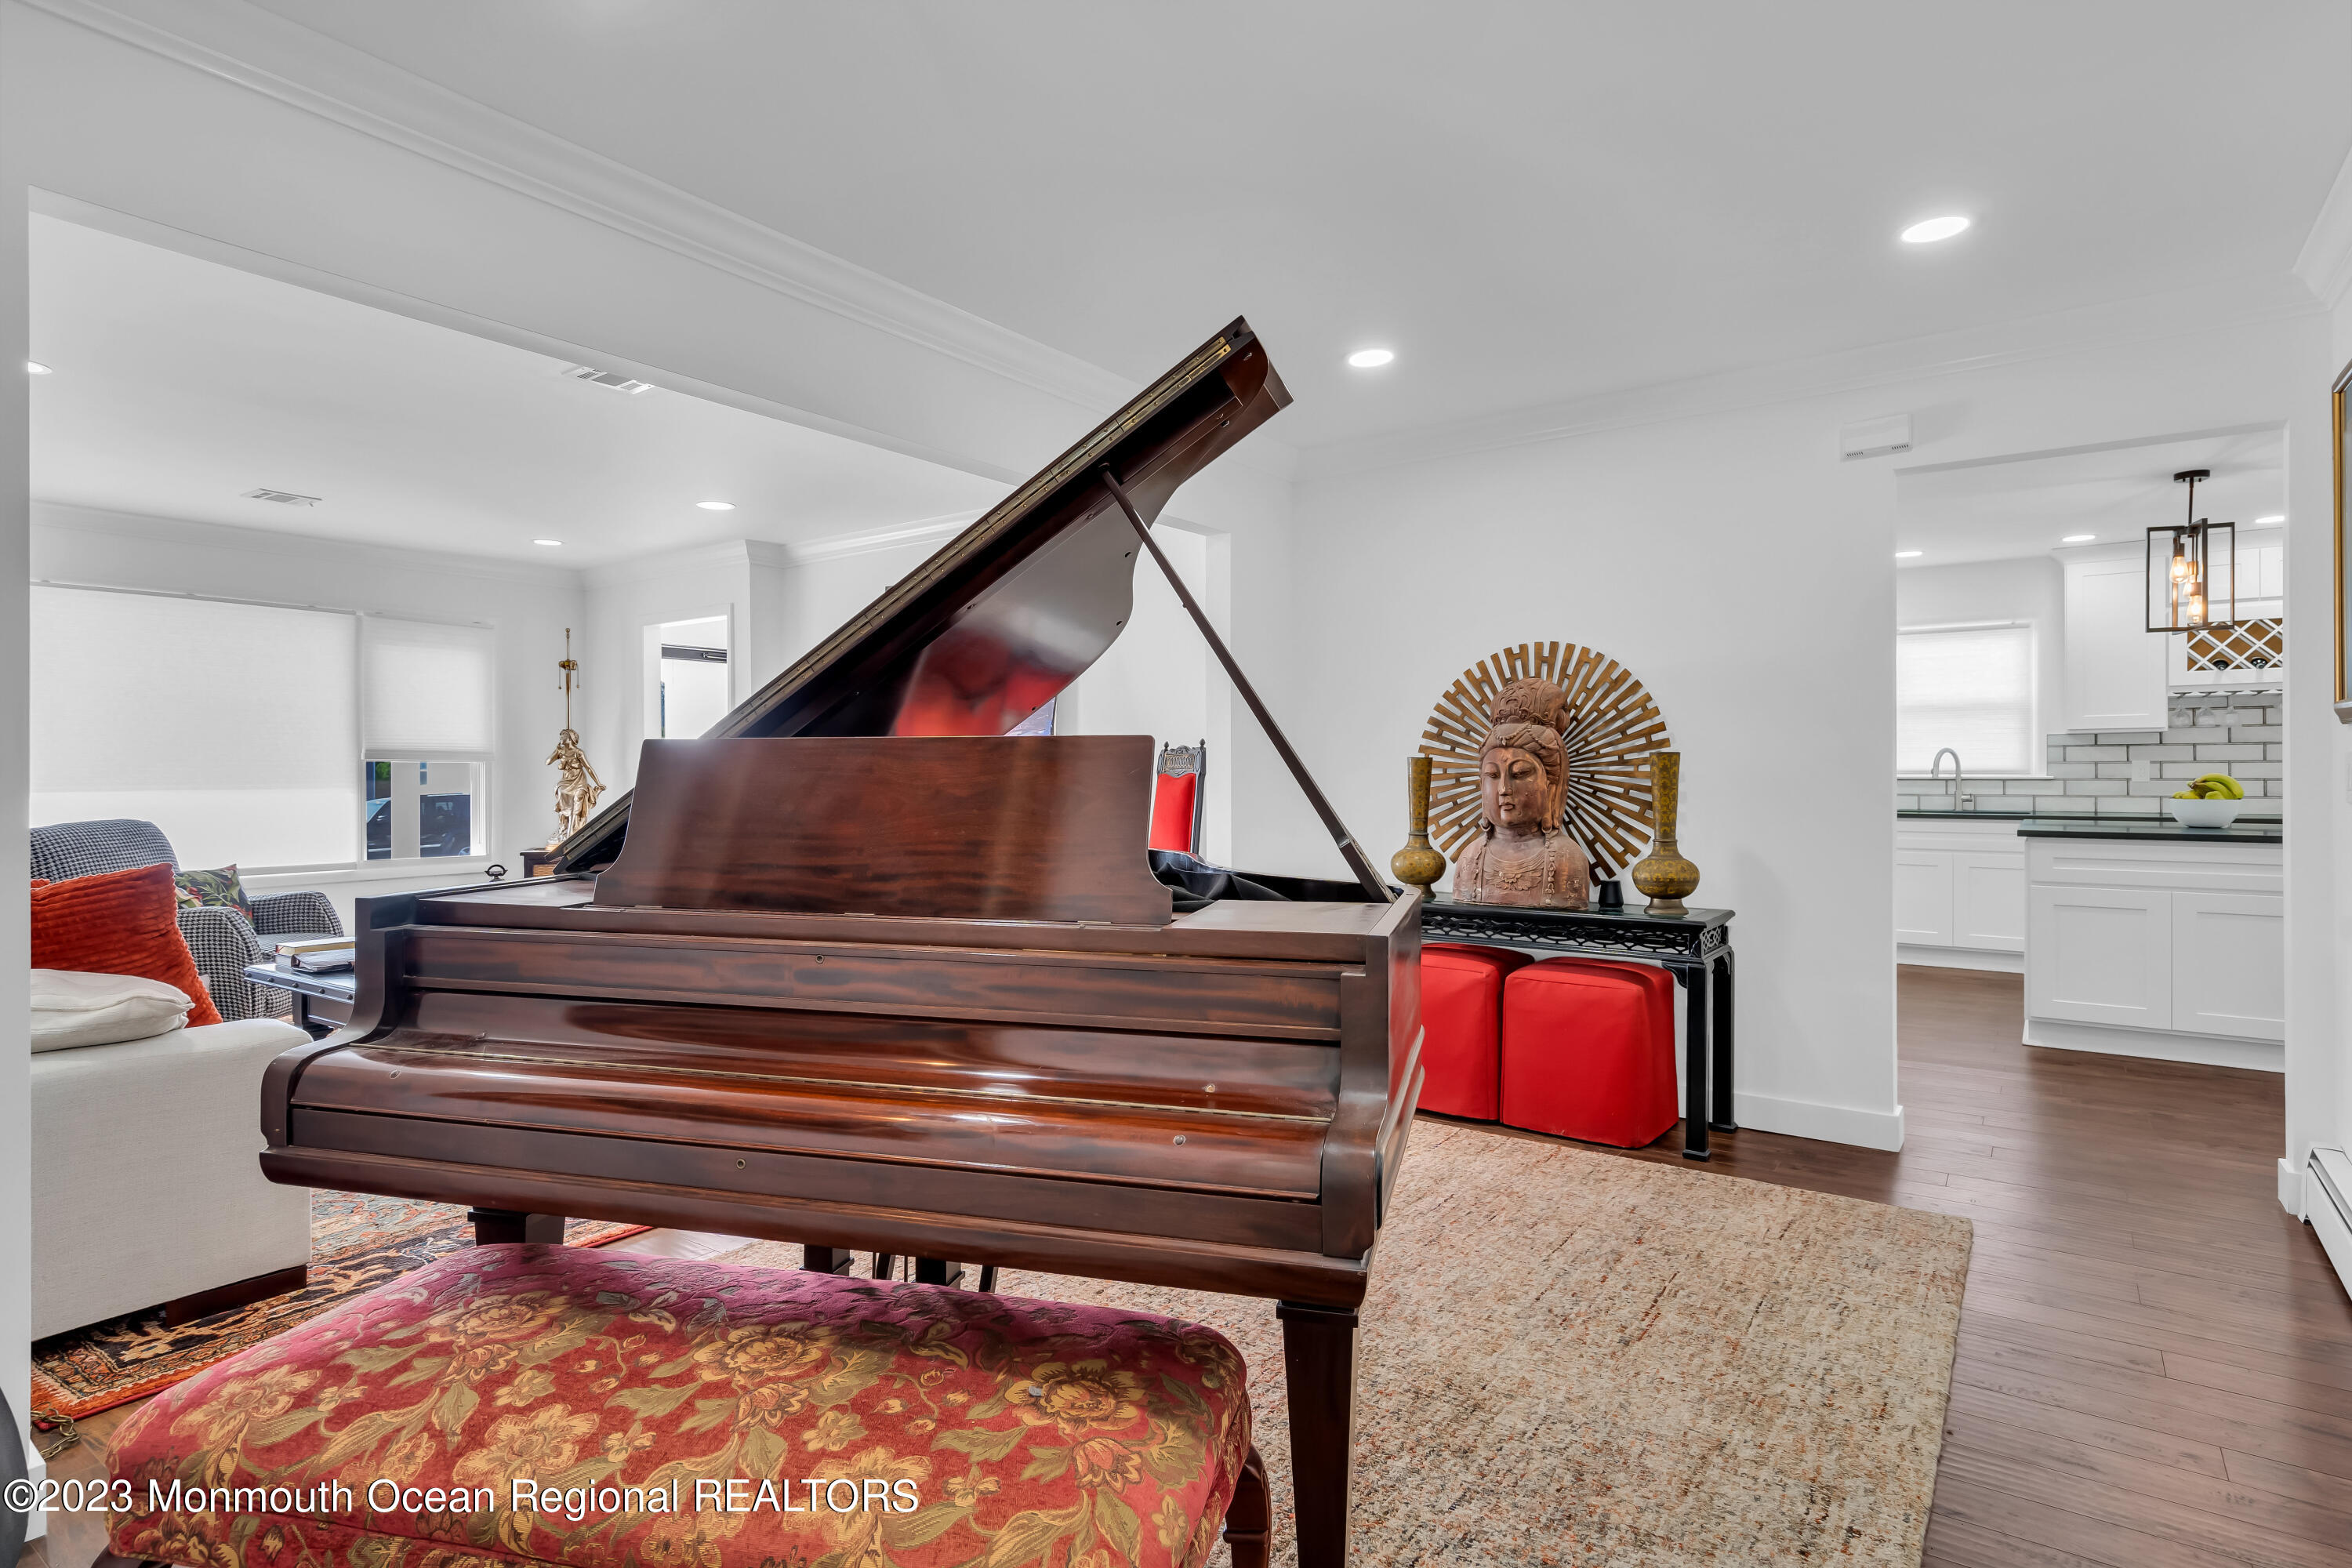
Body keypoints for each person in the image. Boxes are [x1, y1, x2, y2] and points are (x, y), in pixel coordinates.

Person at [1451, 717, 1590, 909]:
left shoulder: (1566, 858)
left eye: (1519, 774)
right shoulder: (1471, 857)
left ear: (1549, 785)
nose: (1504, 788)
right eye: (1492, 775)